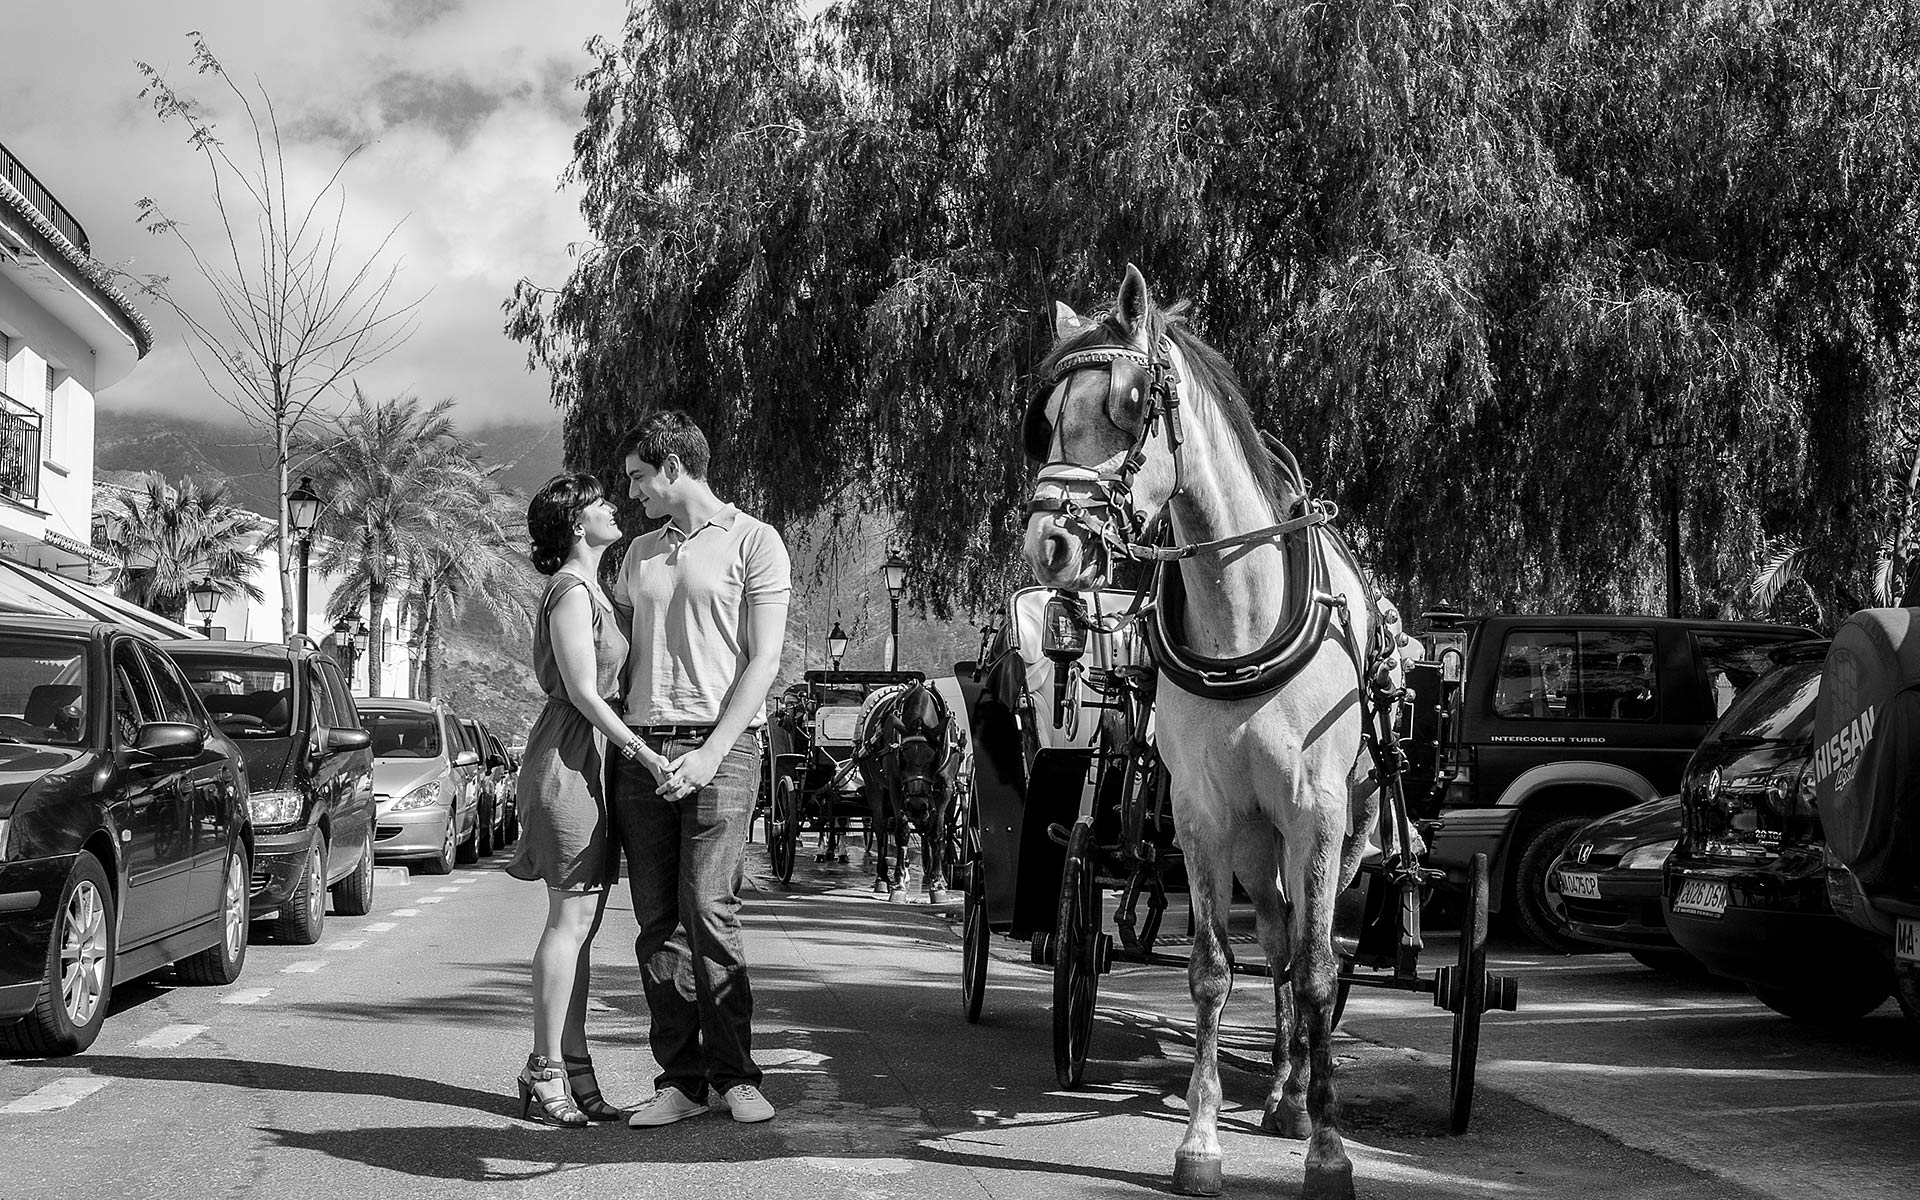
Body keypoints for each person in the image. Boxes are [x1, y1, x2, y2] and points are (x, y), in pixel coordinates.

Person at [609, 410, 790, 1128]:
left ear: (674, 468)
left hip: (724, 749)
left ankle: (736, 1075)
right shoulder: (638, 553)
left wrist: (712, 751)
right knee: (657, 923)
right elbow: (614, 651)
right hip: (643, 753)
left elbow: (764, 661)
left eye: (639, 478)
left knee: (709, 909)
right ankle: (680, 1082)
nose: (633, 494)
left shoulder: (755, 541)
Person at [506, 473, 672, 1127]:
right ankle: (545, 1073)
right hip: (569, 764)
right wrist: (644, 751)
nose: (614, 508)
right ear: (578, 523)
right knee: (569, 924)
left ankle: (570, 1071)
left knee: (584, 929)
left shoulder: (594, 590)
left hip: (591, 767)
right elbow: (581, 689)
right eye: (601, 503)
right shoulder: (572, 591)